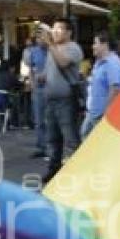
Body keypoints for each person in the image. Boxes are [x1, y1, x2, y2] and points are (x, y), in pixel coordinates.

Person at [41, 18, 83, 182]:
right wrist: (41, 77)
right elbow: (48, 70)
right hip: (50, 100)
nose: (54, 32)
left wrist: (50, 45)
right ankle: (54, 169)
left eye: (59, 29)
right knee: (52, 138)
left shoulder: (73, 48)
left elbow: (64, 63)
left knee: (70, 138)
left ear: (68, 32)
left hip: (66, 100)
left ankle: (77, 173)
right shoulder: (53, 49)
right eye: (53, 29)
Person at [81, 31, 120, 139]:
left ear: (104, 44)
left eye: (95, 43)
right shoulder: (100, 62)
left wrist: (107, 113)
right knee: (85, 136)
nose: (93, 46)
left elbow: (114, 89)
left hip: (102, 115)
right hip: (94, 113)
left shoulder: (112, 63)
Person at [27, 29, 49, 158]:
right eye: (38, 38)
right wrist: (32, 84)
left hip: (51, 89)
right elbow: (30, 69)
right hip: (38, 90)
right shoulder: (33, 52)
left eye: (42, 37)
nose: (40, 40)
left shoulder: (53, 51)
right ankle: (41, 147)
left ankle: (51, 147)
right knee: (39, 120)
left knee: (51, 120)